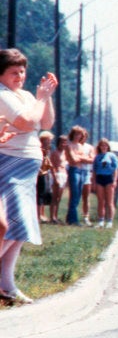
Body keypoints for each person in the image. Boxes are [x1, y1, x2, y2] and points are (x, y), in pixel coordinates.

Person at [0, 48, 58, 304]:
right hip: (10, 163)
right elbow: (25, 122)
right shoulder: (3, 95)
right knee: (12, 225)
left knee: (19, 229)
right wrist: (41, 99)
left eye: (22, 71)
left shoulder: (23, 95)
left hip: (27, 167)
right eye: (14, 72)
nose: (20, 76)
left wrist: (46, 97)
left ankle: (6, 284)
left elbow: (46, 123)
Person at [65, 125, 91, 225]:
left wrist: (79, 157)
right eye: (76, 134)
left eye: (80, 134)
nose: (78, 136)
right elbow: (73, 160)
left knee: (78, 195)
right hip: (73, 170)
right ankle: (73, 220)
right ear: (73, 134)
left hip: (82, 171)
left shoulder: (80, 146)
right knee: (74, 194)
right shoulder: (69, 145)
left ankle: (70, 217)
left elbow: (89, 159)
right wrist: (81, 157)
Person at [92, 138, 118, 228]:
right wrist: (94, 182)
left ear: (108, 146)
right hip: (100, 178)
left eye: (105, 145)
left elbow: (115, 169)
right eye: (102, 145)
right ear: (99, 146)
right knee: (100, 201)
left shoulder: (112, 156)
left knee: (109, 202)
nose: (103, 147)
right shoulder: (97, 157)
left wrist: (115, 180)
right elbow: (94, 170)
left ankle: (110, 221)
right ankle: (101, 220)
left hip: (109, 178)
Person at [36, 130, 54, 222]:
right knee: (39, 194)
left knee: (43, 194)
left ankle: (41, 214)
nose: (50, 141)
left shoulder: (48, 149)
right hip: (39, 173)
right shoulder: (39, 149)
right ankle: (38, 216)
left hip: (45, 173)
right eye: (48, 140)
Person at [50, 134, 68, 224]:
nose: (63, 144)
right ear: (58, 143)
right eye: (62, 142)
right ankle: (52, 217)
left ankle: (56, 216)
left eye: (65, 142)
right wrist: (55, 178)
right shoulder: (55, 153)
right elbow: (52, 166)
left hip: (64, 175)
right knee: (54, 197)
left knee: (59, 198)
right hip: (57, 174)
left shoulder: (65, 153)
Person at [80, 128, 95, 226]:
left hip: (86, 172)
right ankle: (73, 216)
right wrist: (86, 159)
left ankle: (86, 216)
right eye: (81, 136)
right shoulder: (74, 146)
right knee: (75, 196)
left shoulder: (89, 147)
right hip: (76, 171)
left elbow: (92, 159)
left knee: (86, 196)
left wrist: (80, 159)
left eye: (84, 136)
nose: (82, 138)